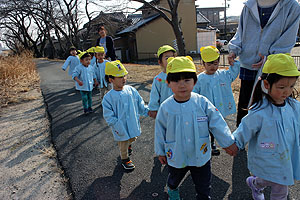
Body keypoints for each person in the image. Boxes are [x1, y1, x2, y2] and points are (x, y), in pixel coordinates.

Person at [155, 56, 237, 200]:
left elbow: (217, 122)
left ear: (194, 82)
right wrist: (160, 151)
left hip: (200, 153)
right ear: (168, 83)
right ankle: (172, 188)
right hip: (177, 153)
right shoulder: (166, 107)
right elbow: (160, 131)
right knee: (174, 177)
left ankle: (203, 196)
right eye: (176, 80)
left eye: (187, 80)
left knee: (204, 183)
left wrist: (228, 142)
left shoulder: (202, 102)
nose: (182, 85)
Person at [231, 53, 300, 200]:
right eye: (281, 87)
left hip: (286, 155)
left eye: (291, 86)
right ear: (267, 84)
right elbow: (245, 128)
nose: (287, 91)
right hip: (268, 157)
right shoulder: (260, 111)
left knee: (276, 181)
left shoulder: (294, 106)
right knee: (280, 187)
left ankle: (255, 183)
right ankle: (257, 183)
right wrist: (234, 143)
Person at [228, 0, 300, 127]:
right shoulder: (249, 6)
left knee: (271, 106)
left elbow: (288, 36)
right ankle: (240, 143)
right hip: (248, 64)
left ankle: (270, 142)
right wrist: (234, 50)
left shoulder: (291, 6)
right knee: (245, 107)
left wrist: (270, 57)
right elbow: (240, 32)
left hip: (274, 67)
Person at [102, 60, 149, 170]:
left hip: (132, 122)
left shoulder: (131, 90)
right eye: (119, 77)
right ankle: (125, 159)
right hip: (120, 125)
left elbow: (139, 103)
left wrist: (147, 111)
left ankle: (128, 144)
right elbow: (108, 115)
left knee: (132, 137)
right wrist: (115, 124)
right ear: (111, 79)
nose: (123, 79)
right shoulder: (108, 97)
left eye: (124, 75)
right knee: (123, 142)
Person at [193, 46, 240, 156]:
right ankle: (207, 145)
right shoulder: (200, 79)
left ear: (219, 62)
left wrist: (233, 63)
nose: (212, 67)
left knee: (218, 126)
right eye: (209, 64)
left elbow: (233, 74)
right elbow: (194, 94)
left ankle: (214, 144)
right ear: (203, 63)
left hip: (220, 108)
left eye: (215, 63)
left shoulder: (223, 75)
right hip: (205, 110)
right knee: (205, 128)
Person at [148, 45, 176, 119]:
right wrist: (154, 109)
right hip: (164, 112)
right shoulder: (158, 79)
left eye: (173, 57)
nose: (171, 60)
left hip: (179, 109)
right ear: (160, 62)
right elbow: (154, 95)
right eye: (167, 58)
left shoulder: (179, 76)